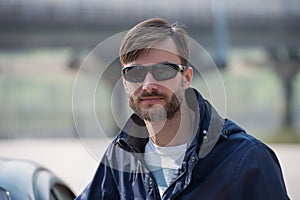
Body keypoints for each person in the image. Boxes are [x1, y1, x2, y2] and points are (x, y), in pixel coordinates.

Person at [75, 18, 289, 200]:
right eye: (135, 73)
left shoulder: (248, 160)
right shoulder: (122, 156)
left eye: (163, 70)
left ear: (186, 78)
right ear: (124, 82)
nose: (148, 85)